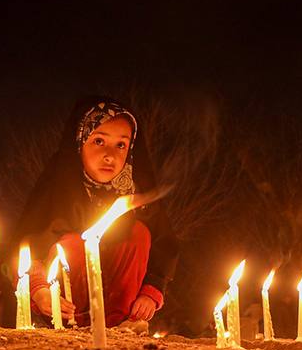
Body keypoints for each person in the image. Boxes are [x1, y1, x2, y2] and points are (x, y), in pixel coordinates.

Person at [11, 96, 180, 328]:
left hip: (119, 317)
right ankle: (73, 320)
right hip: (61, 314)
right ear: (79, 143)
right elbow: (27, 247)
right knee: (72, 245)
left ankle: (119, 323)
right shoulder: (57, 189)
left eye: (121, 145)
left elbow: (161, 248)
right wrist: (40, 291)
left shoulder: (136, 197)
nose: (110, 154)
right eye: (99, 141)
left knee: (138, 233)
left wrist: (149, 293)